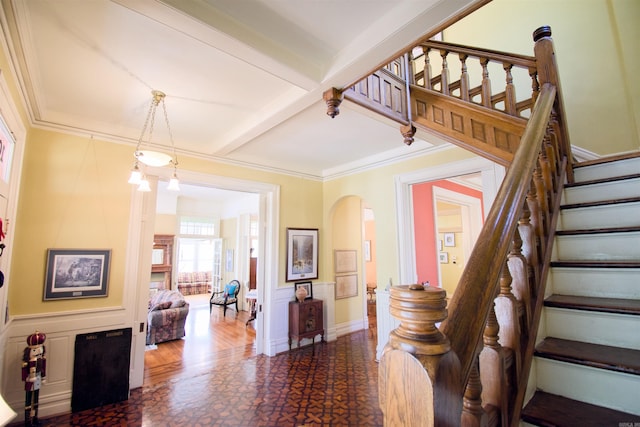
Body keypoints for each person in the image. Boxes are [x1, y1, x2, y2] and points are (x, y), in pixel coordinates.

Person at [21, 331, 46, 427]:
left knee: (36, 399)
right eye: (36, 350)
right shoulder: (27, 362)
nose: (39, 352)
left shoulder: (41, 360)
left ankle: (35, 418)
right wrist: (27, 378)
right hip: (30, 381)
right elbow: (24, 372)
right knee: (28, 401)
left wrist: (43, 377)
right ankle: (28, 421)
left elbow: (43, 368)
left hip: (38, 378)